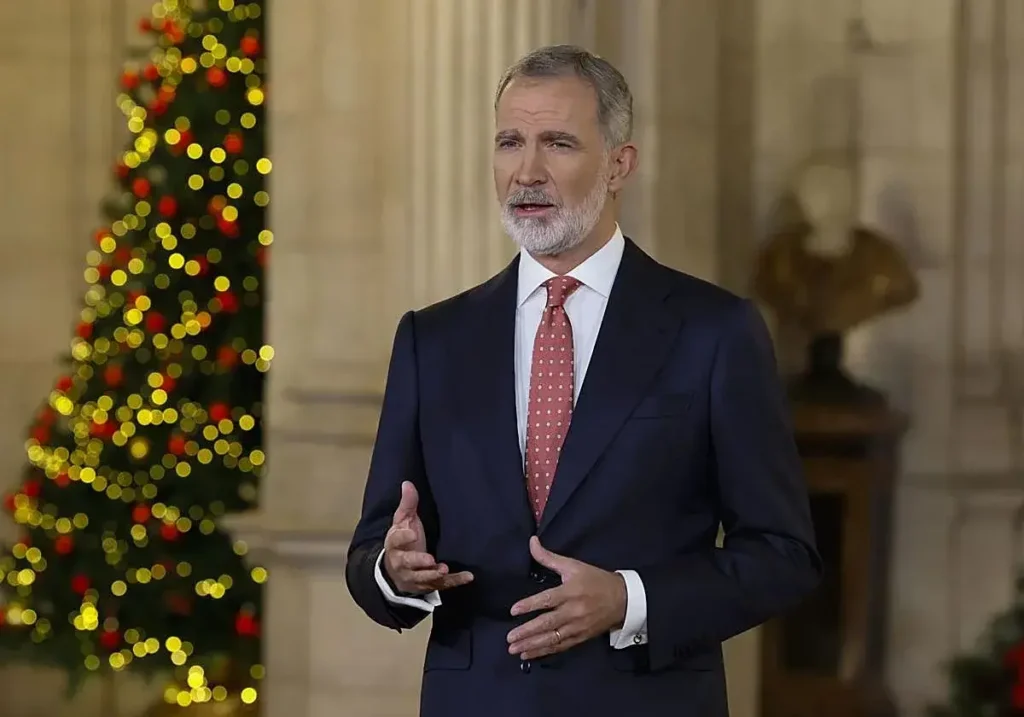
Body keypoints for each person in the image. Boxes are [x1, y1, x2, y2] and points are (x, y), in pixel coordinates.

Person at [346, 44, 821, 717]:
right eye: (510, 142)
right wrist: (392, 572)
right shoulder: (433, 339)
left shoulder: (714, 331)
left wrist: (631, 598)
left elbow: (783, 555)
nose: (527, 172)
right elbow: (370, 551)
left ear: (620, 163)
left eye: (558, 143)